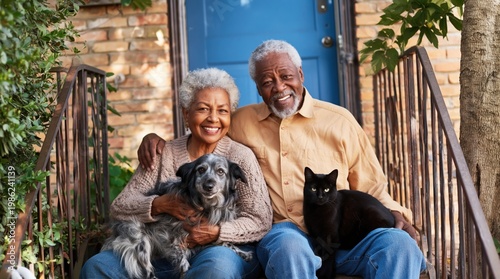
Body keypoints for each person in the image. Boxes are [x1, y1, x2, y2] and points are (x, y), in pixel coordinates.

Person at [139, 40, 427, 279]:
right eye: (267, 81)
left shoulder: (339, 121)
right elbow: (204, 128)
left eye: (286, 76)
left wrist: (397, 214)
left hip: (344, 234)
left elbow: (372, 186)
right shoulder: (241, 122)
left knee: (399, 245)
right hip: (286, 233)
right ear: (258, 88)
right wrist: (156, 138)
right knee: (290, 247)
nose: (278, 87)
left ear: (301, 74)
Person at [80, 68, 273, 279]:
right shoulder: (164, 152)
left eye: (222, 111)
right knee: (98, 266)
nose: (213, 118)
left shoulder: (240, 156)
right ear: (186, 114)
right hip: (163, 251)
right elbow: (120, 207)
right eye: (203, 109)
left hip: (219, 250)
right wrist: (159, 204)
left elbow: (259, 220)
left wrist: (216, 232)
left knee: (216, 269)